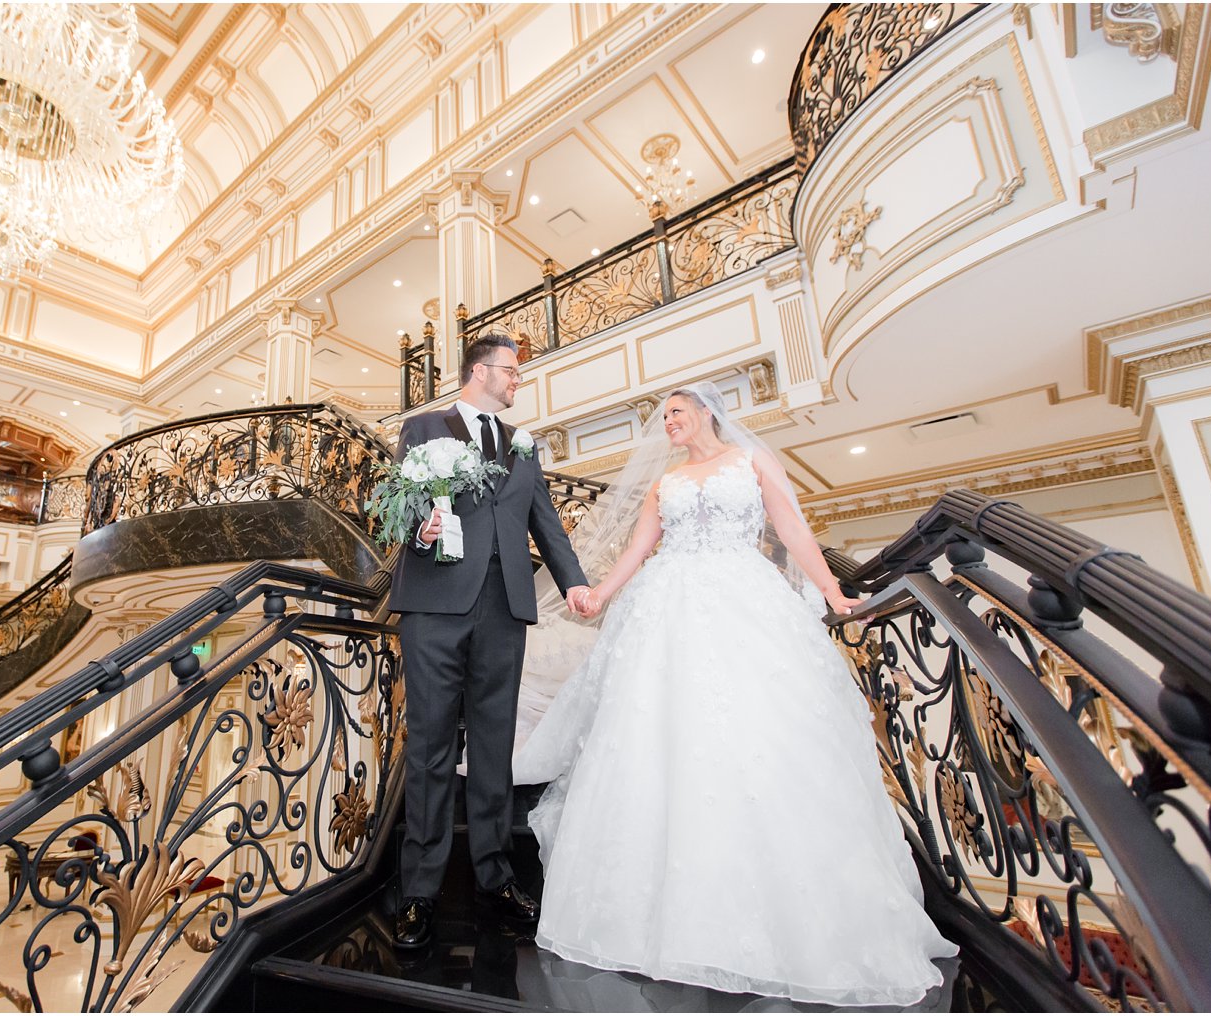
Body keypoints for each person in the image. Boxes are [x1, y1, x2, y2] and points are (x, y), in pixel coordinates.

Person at [514, 382, 957, 1006]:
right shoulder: (664, 484)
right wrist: (596, 594)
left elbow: (795, 531)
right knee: (658, 737)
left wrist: (833, 594)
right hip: (667, 608)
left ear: (706, 413)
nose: (667, 422)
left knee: (754, 733)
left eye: (675, 411)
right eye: (662, 415)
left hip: (742, 599)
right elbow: (640, 550)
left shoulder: (751, 462)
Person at [388, 333, 592, 951]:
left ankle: (494, 878)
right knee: (427, 746)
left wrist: (576, 585)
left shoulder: (524, 447)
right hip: (435, 603)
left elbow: (545, 524)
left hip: (504, 608)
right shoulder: (425, 428)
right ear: (480, 371)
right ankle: (419, 892)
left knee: (496, 746)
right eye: (512, 372)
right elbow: (399, 509)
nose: (517, 381)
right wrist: (422, 530)